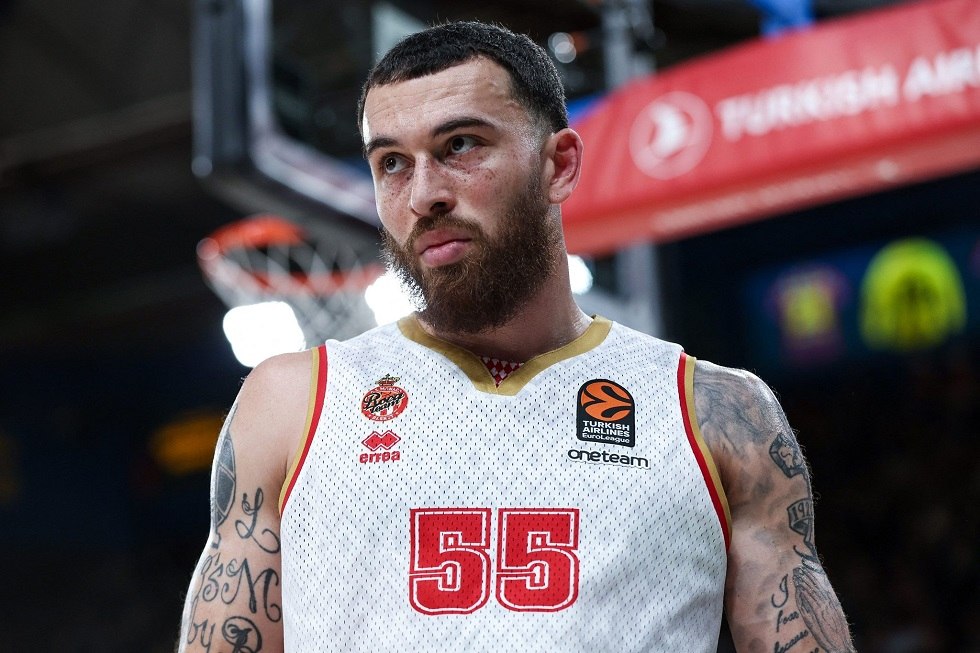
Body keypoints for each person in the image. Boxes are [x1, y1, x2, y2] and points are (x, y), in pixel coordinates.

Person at [178, 21, 855, 653]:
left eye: (460, 146)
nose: (423, 194)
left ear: (559, 164)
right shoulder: (290, 402)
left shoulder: (717, 413)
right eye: (392, 163)